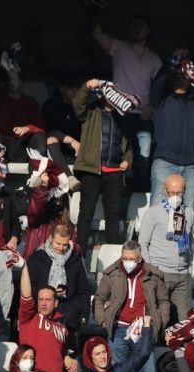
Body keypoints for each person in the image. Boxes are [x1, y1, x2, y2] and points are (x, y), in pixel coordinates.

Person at [92, 241, 170, 372]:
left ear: (139, 259)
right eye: (124, 258)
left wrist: (160, 322)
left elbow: (163, 301)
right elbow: (99, 298)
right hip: (118, 328)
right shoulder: (112, 273)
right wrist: (102, 321)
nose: (127, 262)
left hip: (144, 330)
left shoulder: (153, 275)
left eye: (131, 259)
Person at [91, 14, 160, 184]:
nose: (137, 29)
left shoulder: (155, 60)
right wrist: (94, 12)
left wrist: (151, 108)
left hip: (142, 115)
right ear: (129, 29)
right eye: (134, 25)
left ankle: (140, 195)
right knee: (117, 155)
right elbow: (96, 34)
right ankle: (118, 193)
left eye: (141, 25)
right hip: (119, 112)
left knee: (143, 158)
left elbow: (159, 89)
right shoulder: (119, 47)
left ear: (148, 30)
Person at [150, 55, 194, 209]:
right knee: (158, 209)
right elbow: (158, 83)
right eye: (177, 75)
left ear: (190, 79)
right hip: (164, 163)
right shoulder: (162, 99)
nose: (180, 78)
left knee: (187, 211)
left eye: (184, 76)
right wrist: (171, 63)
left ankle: (185, 235)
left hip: (190, 167)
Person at [72, 78, 132, 249]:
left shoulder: (122, 117)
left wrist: (127, 160)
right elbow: (77, 104)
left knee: (113, 216)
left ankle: (113, 259)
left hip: (114, 171)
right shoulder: (91, 112)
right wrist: (87, 86)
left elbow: (128, 144)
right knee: (86, 214)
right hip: (92, 170)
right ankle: (80, 256)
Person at [137, 173, 194, 324]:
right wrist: (151, 270)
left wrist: (190, 269)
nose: (175, 196)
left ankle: (177, 348)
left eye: (179, 192)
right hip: (160, 273)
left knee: (183, 322)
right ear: (165, 191)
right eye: (172, 192)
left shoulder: (189, 213)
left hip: (182, 275)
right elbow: (143, 243)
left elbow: (191, 243)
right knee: (159, 319)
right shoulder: (153, 212)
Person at [25, 223, 92, 336]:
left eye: (65, 245)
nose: (61, 248)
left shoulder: (75, 261)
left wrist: (84, 316)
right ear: (51, 238)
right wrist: (50, 292)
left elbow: (84, 290)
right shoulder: (37, 258)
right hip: (42, 315)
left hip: (69, 318)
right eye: (58, 243)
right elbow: (30, 287)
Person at [18, 262, 79, 372]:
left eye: (48, 300)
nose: (44, 303)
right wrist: (24, 266)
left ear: (56, 303)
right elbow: (26, 296)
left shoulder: (63, 324)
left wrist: (69, 359)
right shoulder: (29, 318)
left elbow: (60, 351)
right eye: (41, 300)